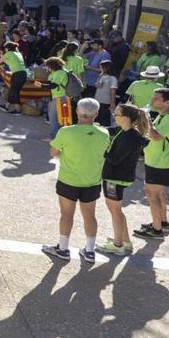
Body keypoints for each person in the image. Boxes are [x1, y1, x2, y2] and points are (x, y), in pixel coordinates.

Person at [42, 98, 110, 263]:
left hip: (68, 180)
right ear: (96, 114)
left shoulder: (66, 131)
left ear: (77, 112)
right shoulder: (104, 133)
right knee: (90, 215)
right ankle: (90, 250)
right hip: (92, 181)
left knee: (66, 214)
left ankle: (63, 248)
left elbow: (53, 152)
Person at [98, 104, 149, 257]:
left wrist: (102, 148)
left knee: (115, 211)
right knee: (117, 210)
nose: (115, 116)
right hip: (118, 176)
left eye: (117, 114)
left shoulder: (130, 137)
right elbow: (110, 130)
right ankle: (125, 241)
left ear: (125, 118)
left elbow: (114, 159)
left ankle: (117, 245)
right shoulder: (126, 131)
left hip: (115, 177)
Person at [134, 88, 169, 240]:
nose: (152, 101)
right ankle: (162, 223)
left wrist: (146, 117)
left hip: (160, 163)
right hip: (156, 161)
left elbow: (155, 136)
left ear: (167, 103)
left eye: (156, 99)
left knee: (151, 194)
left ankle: (156, 230)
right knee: (159, 193)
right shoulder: (163, 116)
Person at [36, 56, 70, 137]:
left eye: (48, 66)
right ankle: (58, 136)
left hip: (59, 97)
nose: (47, 68)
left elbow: (53, 85)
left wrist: (41, 85)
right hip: (60, 96)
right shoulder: (60, 71)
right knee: (59, 118)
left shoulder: (59, 73)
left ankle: (53, 136)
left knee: (53, 117)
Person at [0, 42, 27, 114]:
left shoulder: (9, 53)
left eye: (5, 48)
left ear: (7, 48)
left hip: (17, 74)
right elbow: (10, 63)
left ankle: (18, 111)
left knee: (14, 92)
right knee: (13, 91)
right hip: (23, 74)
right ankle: (6, 106)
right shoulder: (18, 53)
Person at [94, 61, 118, 127]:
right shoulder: (101, 75)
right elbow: (97, 85)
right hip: (97, 100)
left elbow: (113, 91)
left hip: (106, 102)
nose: (100, 69)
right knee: (97, 118)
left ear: (107, 68)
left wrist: (113, 103)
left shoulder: (113, 78)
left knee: (104, 119)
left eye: (101, 67)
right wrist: (98, 85)